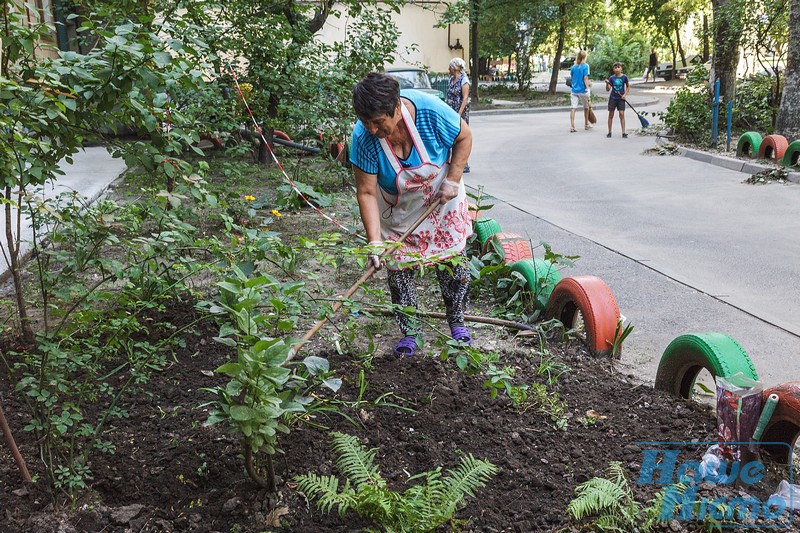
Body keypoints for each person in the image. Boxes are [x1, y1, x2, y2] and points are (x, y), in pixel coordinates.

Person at [349, 72, 474, 357]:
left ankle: (457, 323)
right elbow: (367, 192)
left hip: (442, 199)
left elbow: (464, 136)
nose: (371, 129)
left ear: (396, 108)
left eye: (378, 123)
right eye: (366, 122)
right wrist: (375, 242)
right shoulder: (364, 138)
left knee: (453, 263)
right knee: (399, 267)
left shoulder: (429, 111)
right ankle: (411, 331)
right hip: (399, 207)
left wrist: (453, 179)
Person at [446, 57, 471, 173]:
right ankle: (452, 161)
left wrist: (459, 113)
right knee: (451, 135)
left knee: (461, 136)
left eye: (450, 66)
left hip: (460, 112)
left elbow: (465, 98)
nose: (448, 69)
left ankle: (464, 164)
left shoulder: (464, 80)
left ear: (455, 67)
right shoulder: (451, 80)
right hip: (451, 111)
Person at [605, 62, 630, 138]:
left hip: (621, 98)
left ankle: (623, 132)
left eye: (618, 67)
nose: (617, 69)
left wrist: (625, 95)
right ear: (613, 69)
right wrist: (607, 83)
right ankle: (609, 132)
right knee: (611, 114)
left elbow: (628, 87)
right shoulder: (611, 78)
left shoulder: (624, 77)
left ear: (621, 68)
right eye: (615, 67)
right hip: (613, 98)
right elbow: (608, 89)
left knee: (622, 114)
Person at [569, 50, 591, 132]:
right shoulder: (586, 66)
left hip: (574, 90)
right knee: (586, 107)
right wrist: (587, 88)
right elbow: (585, 78)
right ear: (584, 57)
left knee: (573, 108)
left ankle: (572, 126)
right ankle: (586, 124)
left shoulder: (573, 67)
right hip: (583, 90)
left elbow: (571, 78)